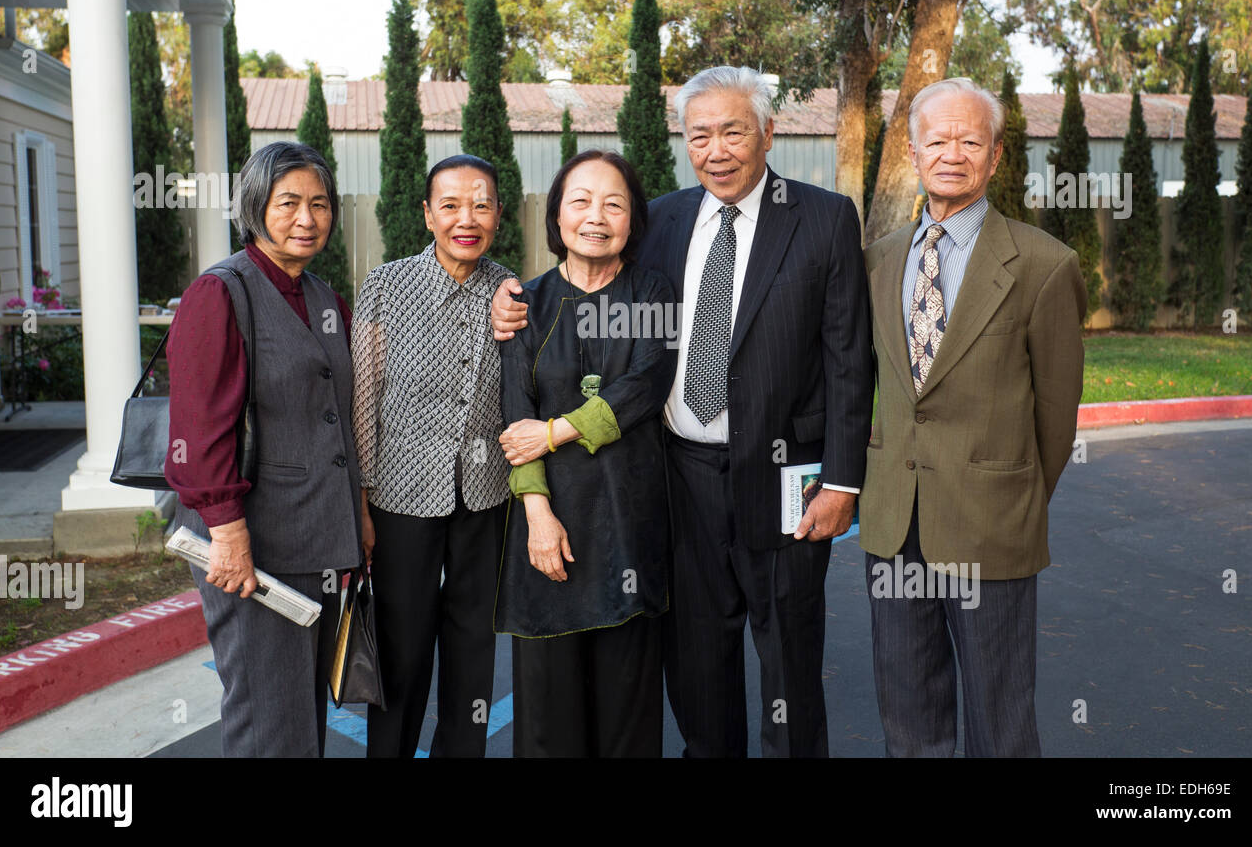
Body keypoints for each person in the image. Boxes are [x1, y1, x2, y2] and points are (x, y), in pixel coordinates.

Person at [494, 68, 873, 757]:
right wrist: (508, 300)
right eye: (700, 135)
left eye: (733, 131)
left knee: (789, 661)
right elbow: (588, 275)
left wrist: (843, 481)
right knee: (699, 670)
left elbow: (850, 360)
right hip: (679, 481)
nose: (716, 149)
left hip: (789, 479)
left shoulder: (823, 218)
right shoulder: (662, 219)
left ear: (768, 132)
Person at [858, 76, 1086, 756]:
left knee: (1000, 720)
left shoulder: (1044, 265)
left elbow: (1057, 415)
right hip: (895, 524)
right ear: (913, 150)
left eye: (969, 140)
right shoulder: (878, 260)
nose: (951, 152)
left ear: (995, 156)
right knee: (909, 717)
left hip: (992, 525)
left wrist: (1013, 498)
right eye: (936, 140)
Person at [166, 141, 360, 757]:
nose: (307, 219)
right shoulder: (221, 292)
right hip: (251, 543)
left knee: (303, 720)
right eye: (289, 203)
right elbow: (198, 427)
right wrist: (225, 531)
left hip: (318, 537)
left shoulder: (326, 299)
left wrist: (356, 519)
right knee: (267, 722)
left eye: (320, 204)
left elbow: (337, 418)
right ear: (255, 207)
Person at [494, 150, 675, 757]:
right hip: (551, 525)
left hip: (628, 519)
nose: (596, 217)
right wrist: (538, 518)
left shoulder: (651, 292)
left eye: (614, 203)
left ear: (633, 219)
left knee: (628, 710)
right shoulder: (524, 301)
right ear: (557, 214)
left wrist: (556, 431)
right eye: (581, 201)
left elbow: (645, 387)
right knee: (549, 715)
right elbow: (515, 416)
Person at [350, 154, 514, 758]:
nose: (466, 218)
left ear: (498, 211)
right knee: (403, 643)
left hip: (485, 494)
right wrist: (362, 503)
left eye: (481, 204)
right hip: (400, 496)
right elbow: (363, 399)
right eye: (450, 205)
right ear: (426, 214)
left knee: (473, 643)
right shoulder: (385, 286)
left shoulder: (512, 289)